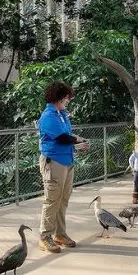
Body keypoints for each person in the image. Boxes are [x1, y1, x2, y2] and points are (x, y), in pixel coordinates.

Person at [38, 81, 90, 253]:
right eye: (67, 97)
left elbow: (68, 134)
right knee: (52, 199)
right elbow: (61, 138)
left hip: (67, 161)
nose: (68, 100)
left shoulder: (62, 114)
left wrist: (80, 139)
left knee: (63, 199)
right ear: (58, 97)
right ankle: (45, 236)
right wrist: (76, 144)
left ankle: (60, 234)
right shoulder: (48, 116)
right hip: (54, 162)